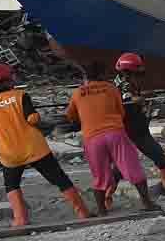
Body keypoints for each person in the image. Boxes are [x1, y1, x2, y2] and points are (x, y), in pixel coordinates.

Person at [0, 64, 93, 227]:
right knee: (60, 179)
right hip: (35, 149)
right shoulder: (20, 96)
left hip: (9, 154)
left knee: (12, 185)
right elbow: (33, 119)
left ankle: (21, 220)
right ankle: (83, 213)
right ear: (7, 80)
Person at [65, 62, 158, 214]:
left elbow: (70, 116)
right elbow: (120, 111)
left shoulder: (77, 93)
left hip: (92, 138)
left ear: (85, 76)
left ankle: (102, 211)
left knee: (100, 175)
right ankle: (147, 203)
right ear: (102, 75)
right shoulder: (111, 88)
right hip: (115, 133)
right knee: (132, 168)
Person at [113, 53, 165, 197]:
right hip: (134, 128)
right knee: (159, 157)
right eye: (138, 72)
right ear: (129, 72)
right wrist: (142, 99)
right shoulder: (125, 84)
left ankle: (105, 194)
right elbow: (130, 98)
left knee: (121, 164)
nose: (140, 75)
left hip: (129, 127)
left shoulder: (120, 82)